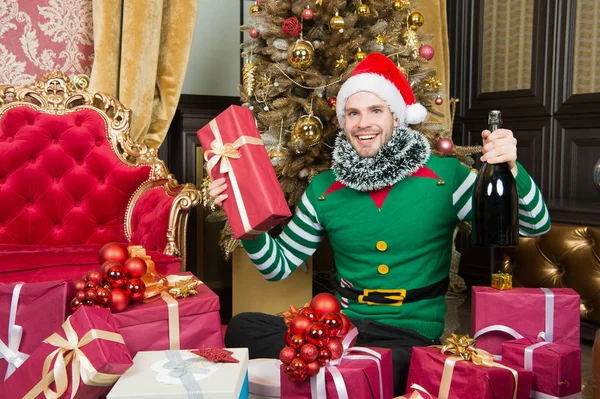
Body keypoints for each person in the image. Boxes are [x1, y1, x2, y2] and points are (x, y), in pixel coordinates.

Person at [208, 52, 551, 394]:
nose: (363, 123)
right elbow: (278, 266)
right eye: (353, 113)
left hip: (410, 335)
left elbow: (534, 225)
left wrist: (512, 169)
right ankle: (346, 370)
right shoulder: (324, 189)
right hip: (339, 327)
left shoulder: (446, 176)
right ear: (343, 122)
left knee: (394, 363)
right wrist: (240, 212)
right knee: (242, 328)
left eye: (376, 111)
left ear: (397, 117)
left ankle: (338, 370)